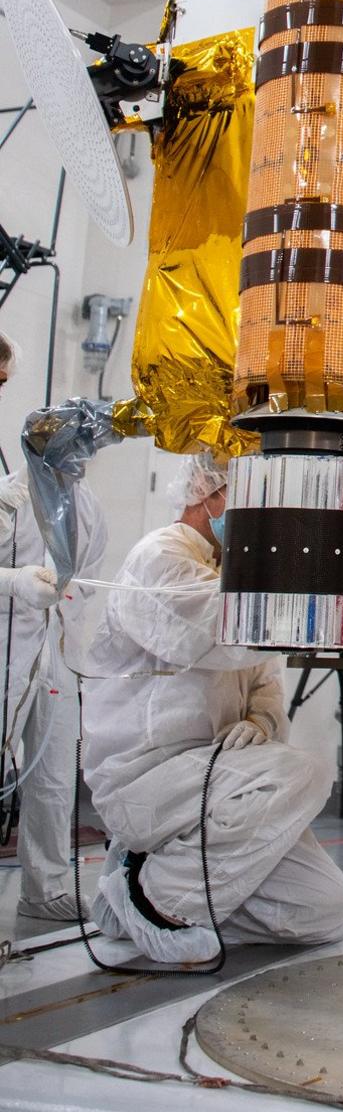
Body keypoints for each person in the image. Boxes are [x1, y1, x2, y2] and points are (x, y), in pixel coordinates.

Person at [83, 449, 343, 964]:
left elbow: (264, 678)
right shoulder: (159, 557)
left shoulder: (228, 568)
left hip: (214, 783)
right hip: (148, 777)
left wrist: (261, 719)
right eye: (248, 494)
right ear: (208, 494)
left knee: (326, 910)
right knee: (307, 771)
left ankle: (128, 891)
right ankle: (156, 900)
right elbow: (222, 630)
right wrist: (321, 595)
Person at [1, 331, 108, 923]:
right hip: (6, 650)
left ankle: (46, 889)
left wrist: (70, 598)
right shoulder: (9, 500)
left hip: (59, 655)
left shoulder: (86, 505)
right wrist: (17, 582)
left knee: (52, 776)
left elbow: (89, 573)